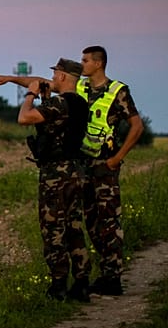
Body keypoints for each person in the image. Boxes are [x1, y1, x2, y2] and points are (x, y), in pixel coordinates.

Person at [13, 58, 92, 302]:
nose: (54, 77)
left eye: (56, 73)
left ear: (64, 77)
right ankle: (81, 282)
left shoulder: (60, 103)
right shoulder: (79, 103)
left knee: (53, 229)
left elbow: (24, 118)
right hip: (76, 171)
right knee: (74, 227)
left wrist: (30, 95)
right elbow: (59, 123)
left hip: (56, 174)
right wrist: (11, 79)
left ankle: (58, 285)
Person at [76, 45, 143, 296]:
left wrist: (117, 158)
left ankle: (113, 278)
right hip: (83, 166)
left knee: (109, 221)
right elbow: (49, 82)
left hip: (105, 167)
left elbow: (137, 126)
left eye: (85, 60)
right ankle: (106, 274)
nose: (81, 64)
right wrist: (11, 80)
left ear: (98, 63)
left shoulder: (118, 91)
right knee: (91, 222)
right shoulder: (80, 87)